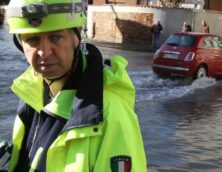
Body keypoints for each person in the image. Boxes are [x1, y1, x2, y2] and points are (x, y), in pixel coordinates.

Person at [2, 0, 147, 171]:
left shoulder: (109, 114)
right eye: (33, 39)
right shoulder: (31, 97)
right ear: (21, 44)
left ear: (77, 37)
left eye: (56, 37)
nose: (44, 52)